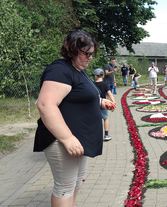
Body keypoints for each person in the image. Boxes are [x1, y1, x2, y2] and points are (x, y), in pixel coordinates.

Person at [33, 29, 115, 207]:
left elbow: (76, 95)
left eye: (92, 54)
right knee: (65, 187)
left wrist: (100, 101)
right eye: (86, 53)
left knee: (77, 181)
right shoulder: (60, 70)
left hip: (78, 139)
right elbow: (45, 105)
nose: (90, 58)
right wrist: (67, 138)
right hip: (62, 141)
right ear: (72, 49)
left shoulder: (77, 70)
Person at [93, 68, 116, 141]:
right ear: (102, 76)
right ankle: (106, 135)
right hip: (104, 104)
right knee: (105, 118)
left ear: (95, 76)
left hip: (94, 104)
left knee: (96, 120)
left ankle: (96, 136)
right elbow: (110, 94)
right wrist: (113, 102)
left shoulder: (92, 84)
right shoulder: (105, 84)